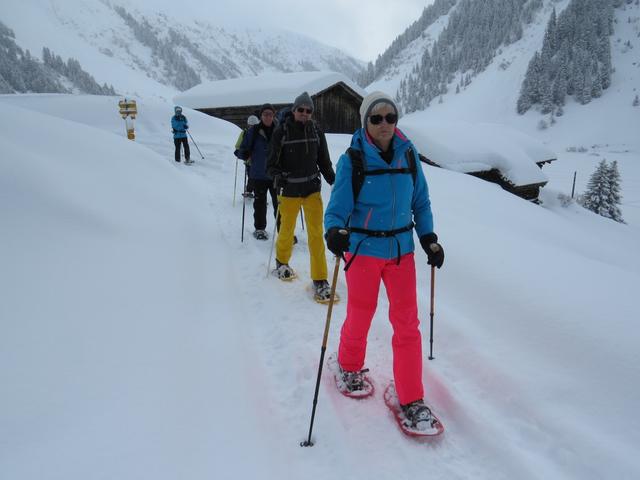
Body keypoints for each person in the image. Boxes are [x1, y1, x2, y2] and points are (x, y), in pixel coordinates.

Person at [323, 91, 445, 430]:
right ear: (366, 122)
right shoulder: (353, 159)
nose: (384, 124)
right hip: (363, 249)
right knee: (361, 313)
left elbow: (421, 201)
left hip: (401, 252)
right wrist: (334, 230)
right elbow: (337, 208)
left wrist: (428, 237)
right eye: (376, 118)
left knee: (407, 323)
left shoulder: (408, 154)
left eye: (390, 117)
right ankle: (349, 365)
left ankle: (411, 397)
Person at [267, 91, 335, 301]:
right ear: (294, 110)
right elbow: (271, 164)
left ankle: (320, 279)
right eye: (301, 110)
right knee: (287, 230)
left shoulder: (316, 131)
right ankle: (282, 262)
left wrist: (334, 181)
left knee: (316, 234)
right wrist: (277, 176)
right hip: (289, 191)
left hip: (312, 189)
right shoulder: (281, 132)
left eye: (308, 110)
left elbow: (324, 161)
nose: (305, 113)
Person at [237, 105, 279, 240]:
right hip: (259, 173)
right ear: (261, 116)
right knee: (260, 204)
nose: (268, 117)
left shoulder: (280, 130)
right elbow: (242, 148)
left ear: (273, 115)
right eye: (265, 114)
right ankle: (260, 229)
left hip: (276, 174)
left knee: (280, 204)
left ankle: (284, 231)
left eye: (270, 114)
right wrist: (243, 153)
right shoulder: (253, 131)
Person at [234, 115, 260, 198]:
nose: (252, 127)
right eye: (251, 125)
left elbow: (237, 146)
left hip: (255, 160)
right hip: (251, 160)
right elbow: (238, 146)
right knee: (253, 177)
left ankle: (253, 192)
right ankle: (251, 192)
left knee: (254, 177)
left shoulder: (246, 133)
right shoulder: (246, 133)